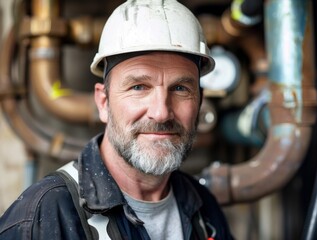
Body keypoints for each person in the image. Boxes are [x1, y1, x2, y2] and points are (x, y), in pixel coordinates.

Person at [0, 0, 234, 239]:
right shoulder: (45, 217)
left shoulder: (204, 208)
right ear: (104, 102)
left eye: (181, 88)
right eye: (139, 87)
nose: (161, 112)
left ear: (200, 101)